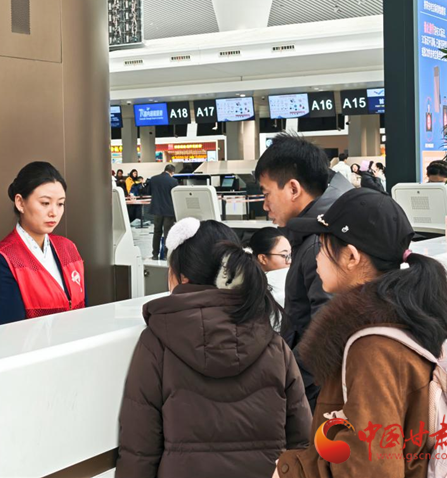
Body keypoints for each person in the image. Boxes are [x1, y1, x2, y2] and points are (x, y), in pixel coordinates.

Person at [275, 189, 447, 478]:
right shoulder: (406, 325)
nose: (316, 257)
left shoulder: (372, 350)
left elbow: (371, 470)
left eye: (322, 247)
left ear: (351, 256)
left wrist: (290, 469)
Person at [116, 218, 311, 478]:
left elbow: (139, 449)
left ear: (183, 277)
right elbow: (301, 441)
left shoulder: (157, 342)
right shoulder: (273, 342)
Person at [254, 133, 352, 411]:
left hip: (316, 398)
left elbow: (327, 335)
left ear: (293, 189)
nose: (264, 205)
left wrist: (286, 384)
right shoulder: (325, 227)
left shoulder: (319, 244)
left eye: (266, 193)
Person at [0, 162, 86, 326]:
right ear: (20, 202)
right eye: (45, 203)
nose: (54, 212)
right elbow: (8, 333)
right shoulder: (3, 261)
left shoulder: (68, 248)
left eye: (60, 203)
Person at [147, 164, 179, 260]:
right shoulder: (173, 181)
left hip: (157, 210)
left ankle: (155, 254)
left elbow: (149, 192)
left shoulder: (153, 179)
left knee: (157, 231)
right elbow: (175, 195)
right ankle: (165, 255)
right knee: (167, 233)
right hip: (169, 210)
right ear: (172, 172)